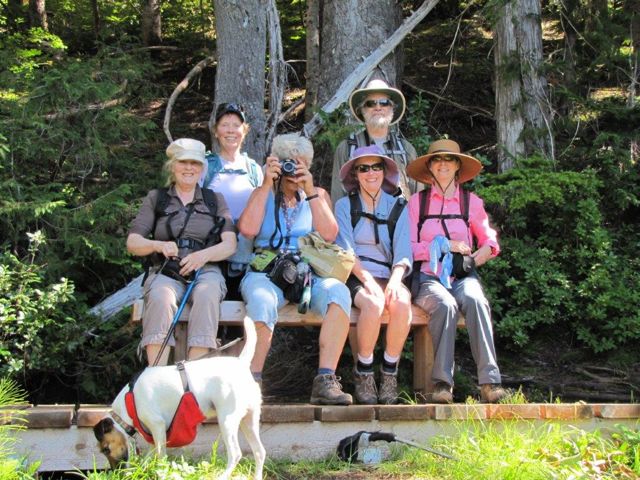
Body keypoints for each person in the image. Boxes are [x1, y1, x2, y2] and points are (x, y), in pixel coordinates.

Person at [238, 133, 353, 405]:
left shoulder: (317, 195)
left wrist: (310, 191)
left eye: (300, 164)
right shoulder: (262, 193)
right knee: (262, 300)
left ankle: (325, 381)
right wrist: (267, 184)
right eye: (287, 163)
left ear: (308, 166)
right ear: (277, 163)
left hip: (306, 274)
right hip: (265, 272)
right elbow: (248, 230)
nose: (293, 171)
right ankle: (250, 383)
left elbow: (329, 235)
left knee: (339, 294)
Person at [406, 139, 507, 404]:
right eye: (437, 160)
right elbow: (408, 247)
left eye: (449, 159)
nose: (443, 164)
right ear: (429, 167)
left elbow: (489, 241)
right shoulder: (417, 203)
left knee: (476, 300)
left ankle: (490, 383)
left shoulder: (470, 202)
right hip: (428, 277)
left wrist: (478, 256)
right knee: (445, 305)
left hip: (462, 276)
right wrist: (443, 246)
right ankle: (442, 384)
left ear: (458, 166)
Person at [127, 138, 237, 366]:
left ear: (202, 168)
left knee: (207, 295)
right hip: (166, 270)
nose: (189, 168)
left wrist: (203, 256)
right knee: (160, 297)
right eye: (183, 162)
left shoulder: (214, 200)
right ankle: (157, 373)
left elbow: (230, 244)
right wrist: (158, 245)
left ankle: (193, 375)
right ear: (172, 166)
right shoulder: (157, 198)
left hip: (206, 270)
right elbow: (133, 242)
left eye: (194, 163)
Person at [335, 145, 413, 405]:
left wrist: (395, 280)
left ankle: (390, 372)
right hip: (355, 273)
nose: (371, 173)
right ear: (355, 174)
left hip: (388, 272)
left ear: (384, 171)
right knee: (373, 303)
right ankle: (364, 370)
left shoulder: (399, 206)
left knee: (402, 302)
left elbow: (403, 250)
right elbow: (345, 251)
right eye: (363, 168)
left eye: (376, 167)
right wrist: (368, 281)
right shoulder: (344, 205)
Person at [201, 102, 263, 297]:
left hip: (247, 252)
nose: (230, 131)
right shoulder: (205, 166)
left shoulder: (254, 169)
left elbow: (263, 209)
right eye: (224, 125)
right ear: (216, 131)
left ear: (244, 131)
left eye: (236, 125)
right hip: (212, 250)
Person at [331, 78, 418, 202]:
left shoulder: (406, 149)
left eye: (384, 103)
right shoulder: (346, 148)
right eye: (371, 103)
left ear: (392, 108)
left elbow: (417, 199)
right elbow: (337, 195)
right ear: (362, 110)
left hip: (400, 214)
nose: (378, 107)